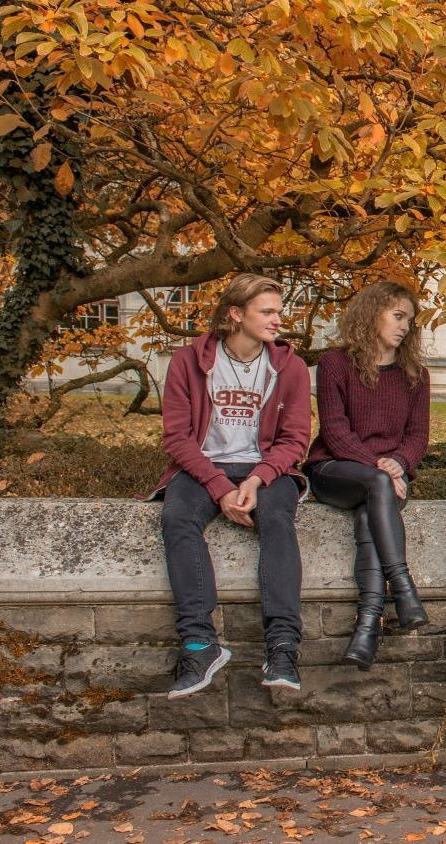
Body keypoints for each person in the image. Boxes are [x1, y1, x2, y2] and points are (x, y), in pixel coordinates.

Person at [152, 273, 311, 698]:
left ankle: (282, 647)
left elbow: (295, 439)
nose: (278, 319)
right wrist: (219, 486)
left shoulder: (290, 367)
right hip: (204, 467)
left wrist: (258, 479)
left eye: (279, 311)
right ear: (235, 314)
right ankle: (199, 644)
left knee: (277, 518)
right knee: (177, 518)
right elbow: (177, 437)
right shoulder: (189, 361)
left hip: (266, 469)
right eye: (267, 312)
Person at [305, 281, 432, 670]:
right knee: (376, 488)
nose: (405, 327)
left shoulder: (416, 375)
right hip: (334, 469)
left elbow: (418, 437)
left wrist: (400, 462)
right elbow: (336, 432)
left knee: (369, 513)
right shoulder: (334, 364)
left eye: (409, 321)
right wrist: (380, 466)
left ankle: (366, 627)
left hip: (388, 476)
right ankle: (403, 586)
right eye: (398, 316)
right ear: (371, 313)